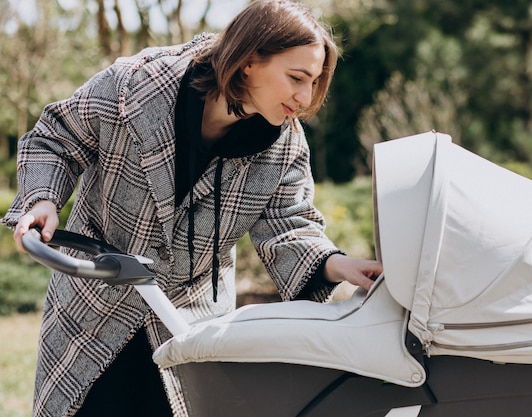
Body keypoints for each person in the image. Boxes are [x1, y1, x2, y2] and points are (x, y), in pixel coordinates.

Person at [1, 1, 383, 416]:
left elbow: (287, 225)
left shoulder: (284, 145)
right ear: (250, 60)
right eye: (296, 78)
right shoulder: (135, 86)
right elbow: (56, 138)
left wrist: (338, 264)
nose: (305, 97)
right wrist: (42, 198)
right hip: (94, 308)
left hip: (187, 321)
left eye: (313, 82)